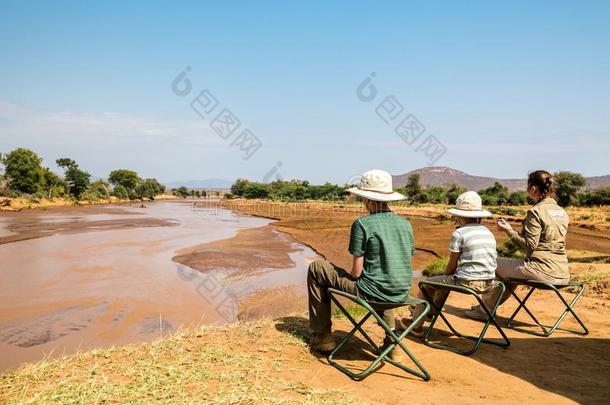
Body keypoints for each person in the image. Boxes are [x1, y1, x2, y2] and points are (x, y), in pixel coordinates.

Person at [307, 169, 415, 353]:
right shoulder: (405, 223)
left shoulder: (362, 224)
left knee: (317, 268)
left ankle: (322, 337)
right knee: (382, 281)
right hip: (401, 293)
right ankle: (393, 344)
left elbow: (356, 274)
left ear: (368, 199)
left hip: (372, 294)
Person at [404, 191, 498, 335]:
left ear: (459, 215)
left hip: (468, 282)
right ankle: (430, 312)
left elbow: (452, 266)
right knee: (444, 282)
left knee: (426, 284)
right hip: (490, 283)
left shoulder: (459, 233)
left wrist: (446, 274)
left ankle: (416, 326)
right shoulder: (487, 231)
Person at [490, 170, 570, 302]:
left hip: (542, 271)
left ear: (533, 189)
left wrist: (509, 230)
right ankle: (487, 308)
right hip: (562, 273)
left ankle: (485, 309)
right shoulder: (562, 211)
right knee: (510, 271)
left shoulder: (535, 211)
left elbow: (529, 246)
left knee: (492, 263)